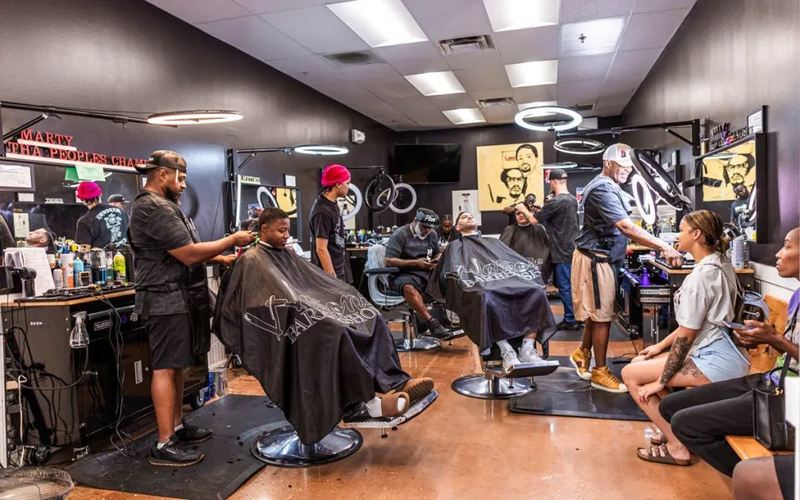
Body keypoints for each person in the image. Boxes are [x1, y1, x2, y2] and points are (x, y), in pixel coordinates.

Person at [215, 208, 435, 445]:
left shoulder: (285, 255)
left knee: (371, 316)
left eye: (288, 230)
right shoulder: (252, 259)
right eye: (281, 231)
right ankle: (369, 405)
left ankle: (397, 382)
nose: (286, 235)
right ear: (264, 229)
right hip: (288, 324)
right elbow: (262, 301)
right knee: (337, 331)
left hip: (308, 311)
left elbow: (309, 285)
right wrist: (307, 307)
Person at [128, 150, 255, 467]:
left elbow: (177, 253)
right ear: (162, 175)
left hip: (182, 296)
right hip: (165, 299)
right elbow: (187, 254)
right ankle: (163, 442)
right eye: (180, 178)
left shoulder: (168, 206)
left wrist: (219, 258)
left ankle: (177, 426)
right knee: (165, 367)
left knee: (179, 364)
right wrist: (231, 240)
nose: (183, 185)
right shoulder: (153, 208)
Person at [658, 226, 799, 475]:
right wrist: (759, 340)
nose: (778, 253)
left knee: (686, 424)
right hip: (773, 380)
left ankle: (760, 481)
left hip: (791, 399)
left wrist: (776, 339)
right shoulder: (797, 295)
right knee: (669, 405)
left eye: (787, 246)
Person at [621, 210, 751, 465]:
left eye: (681, 229)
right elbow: (689, 328)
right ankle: (668, 428)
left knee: (630, 375)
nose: (676, 235)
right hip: (718, 350)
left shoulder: (701, 278)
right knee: (639, 364)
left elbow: (686, 336)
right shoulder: (720, 263)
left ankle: (677, 444)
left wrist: (662, 380)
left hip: (717, 360)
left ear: (696, 234)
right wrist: (657, 346)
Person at [570, 143, 683, 393]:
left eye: (630, 167)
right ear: (608, 163)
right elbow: (626, 227)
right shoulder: (603, 188)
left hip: (601, 256)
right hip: (595, 258)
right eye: (623, 166)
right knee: (602, 316)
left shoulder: (611, 186)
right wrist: (664, 246)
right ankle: (599, 371)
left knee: (597, 311)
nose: (627, 171)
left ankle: (582, 353)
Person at [429, 211, 555, 371]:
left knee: (536, 291)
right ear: (458, 227)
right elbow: (450, 275)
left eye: (470, 215)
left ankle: (527, 349)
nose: (469, 216)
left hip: (501, 280)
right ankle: (506, 350)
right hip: (477, 286)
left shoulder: (492, 242)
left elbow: (511, 261)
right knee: (485, 295)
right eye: (464, 217)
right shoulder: (454, 247)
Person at [519, 168, 579, 330]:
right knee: (573, 286)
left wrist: (522, 208)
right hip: (573, 248)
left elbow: (532, 220)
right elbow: (555, 216)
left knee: (565, 287)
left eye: (550, 182)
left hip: (561, 250)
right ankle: (577, 316)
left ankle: (570, 319)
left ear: (553, 181)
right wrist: (541, 210)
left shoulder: (555, 201)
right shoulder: (572, 199)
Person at [384, 208, 450, 338]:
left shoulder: (432, 235)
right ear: (415, 221)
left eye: (430, 228)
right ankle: (431, 323)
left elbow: (437, 252)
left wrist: (436, 259)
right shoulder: (401, 234)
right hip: (401, 274)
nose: (427, 230)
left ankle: (447, 318)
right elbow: (388, 261)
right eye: (424, 227)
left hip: (424, 272)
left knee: (449, 278)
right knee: (409, 288)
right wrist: (415, 263)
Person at [309, 164, 351, 282]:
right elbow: (321, 248)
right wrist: (331, 277)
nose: (349, 186)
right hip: (329, 273)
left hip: (339, 267)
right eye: (347, 183)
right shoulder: (322, 211)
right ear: (338, 184)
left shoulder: (332, 204)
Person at [500, 204, 551, 282]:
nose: (521, 215)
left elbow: (546, 252)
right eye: (518, 214)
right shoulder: (508, 230)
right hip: (514, 271)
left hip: (535, 270)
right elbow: (501, 252)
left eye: (523, 213)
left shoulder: (539, 229)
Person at [74, 181, 129, 248]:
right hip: (126, 257)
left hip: (102, 258)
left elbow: (85, 249)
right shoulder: (121, 212)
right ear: (100, 194)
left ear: (82, 200)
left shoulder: (84, 221)